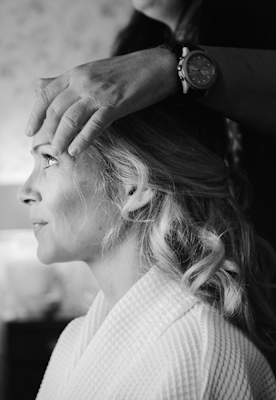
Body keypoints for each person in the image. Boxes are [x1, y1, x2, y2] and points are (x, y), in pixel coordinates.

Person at [18, 99, 276, 399]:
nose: (25, 192)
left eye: (49, 159)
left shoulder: (196, 355)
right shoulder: (76, 338)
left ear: (134, 186)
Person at [24, 0, 276, 249]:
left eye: (48, 158)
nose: (24, 192)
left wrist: (170, 66)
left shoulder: (260, 20)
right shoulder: (133, 47)